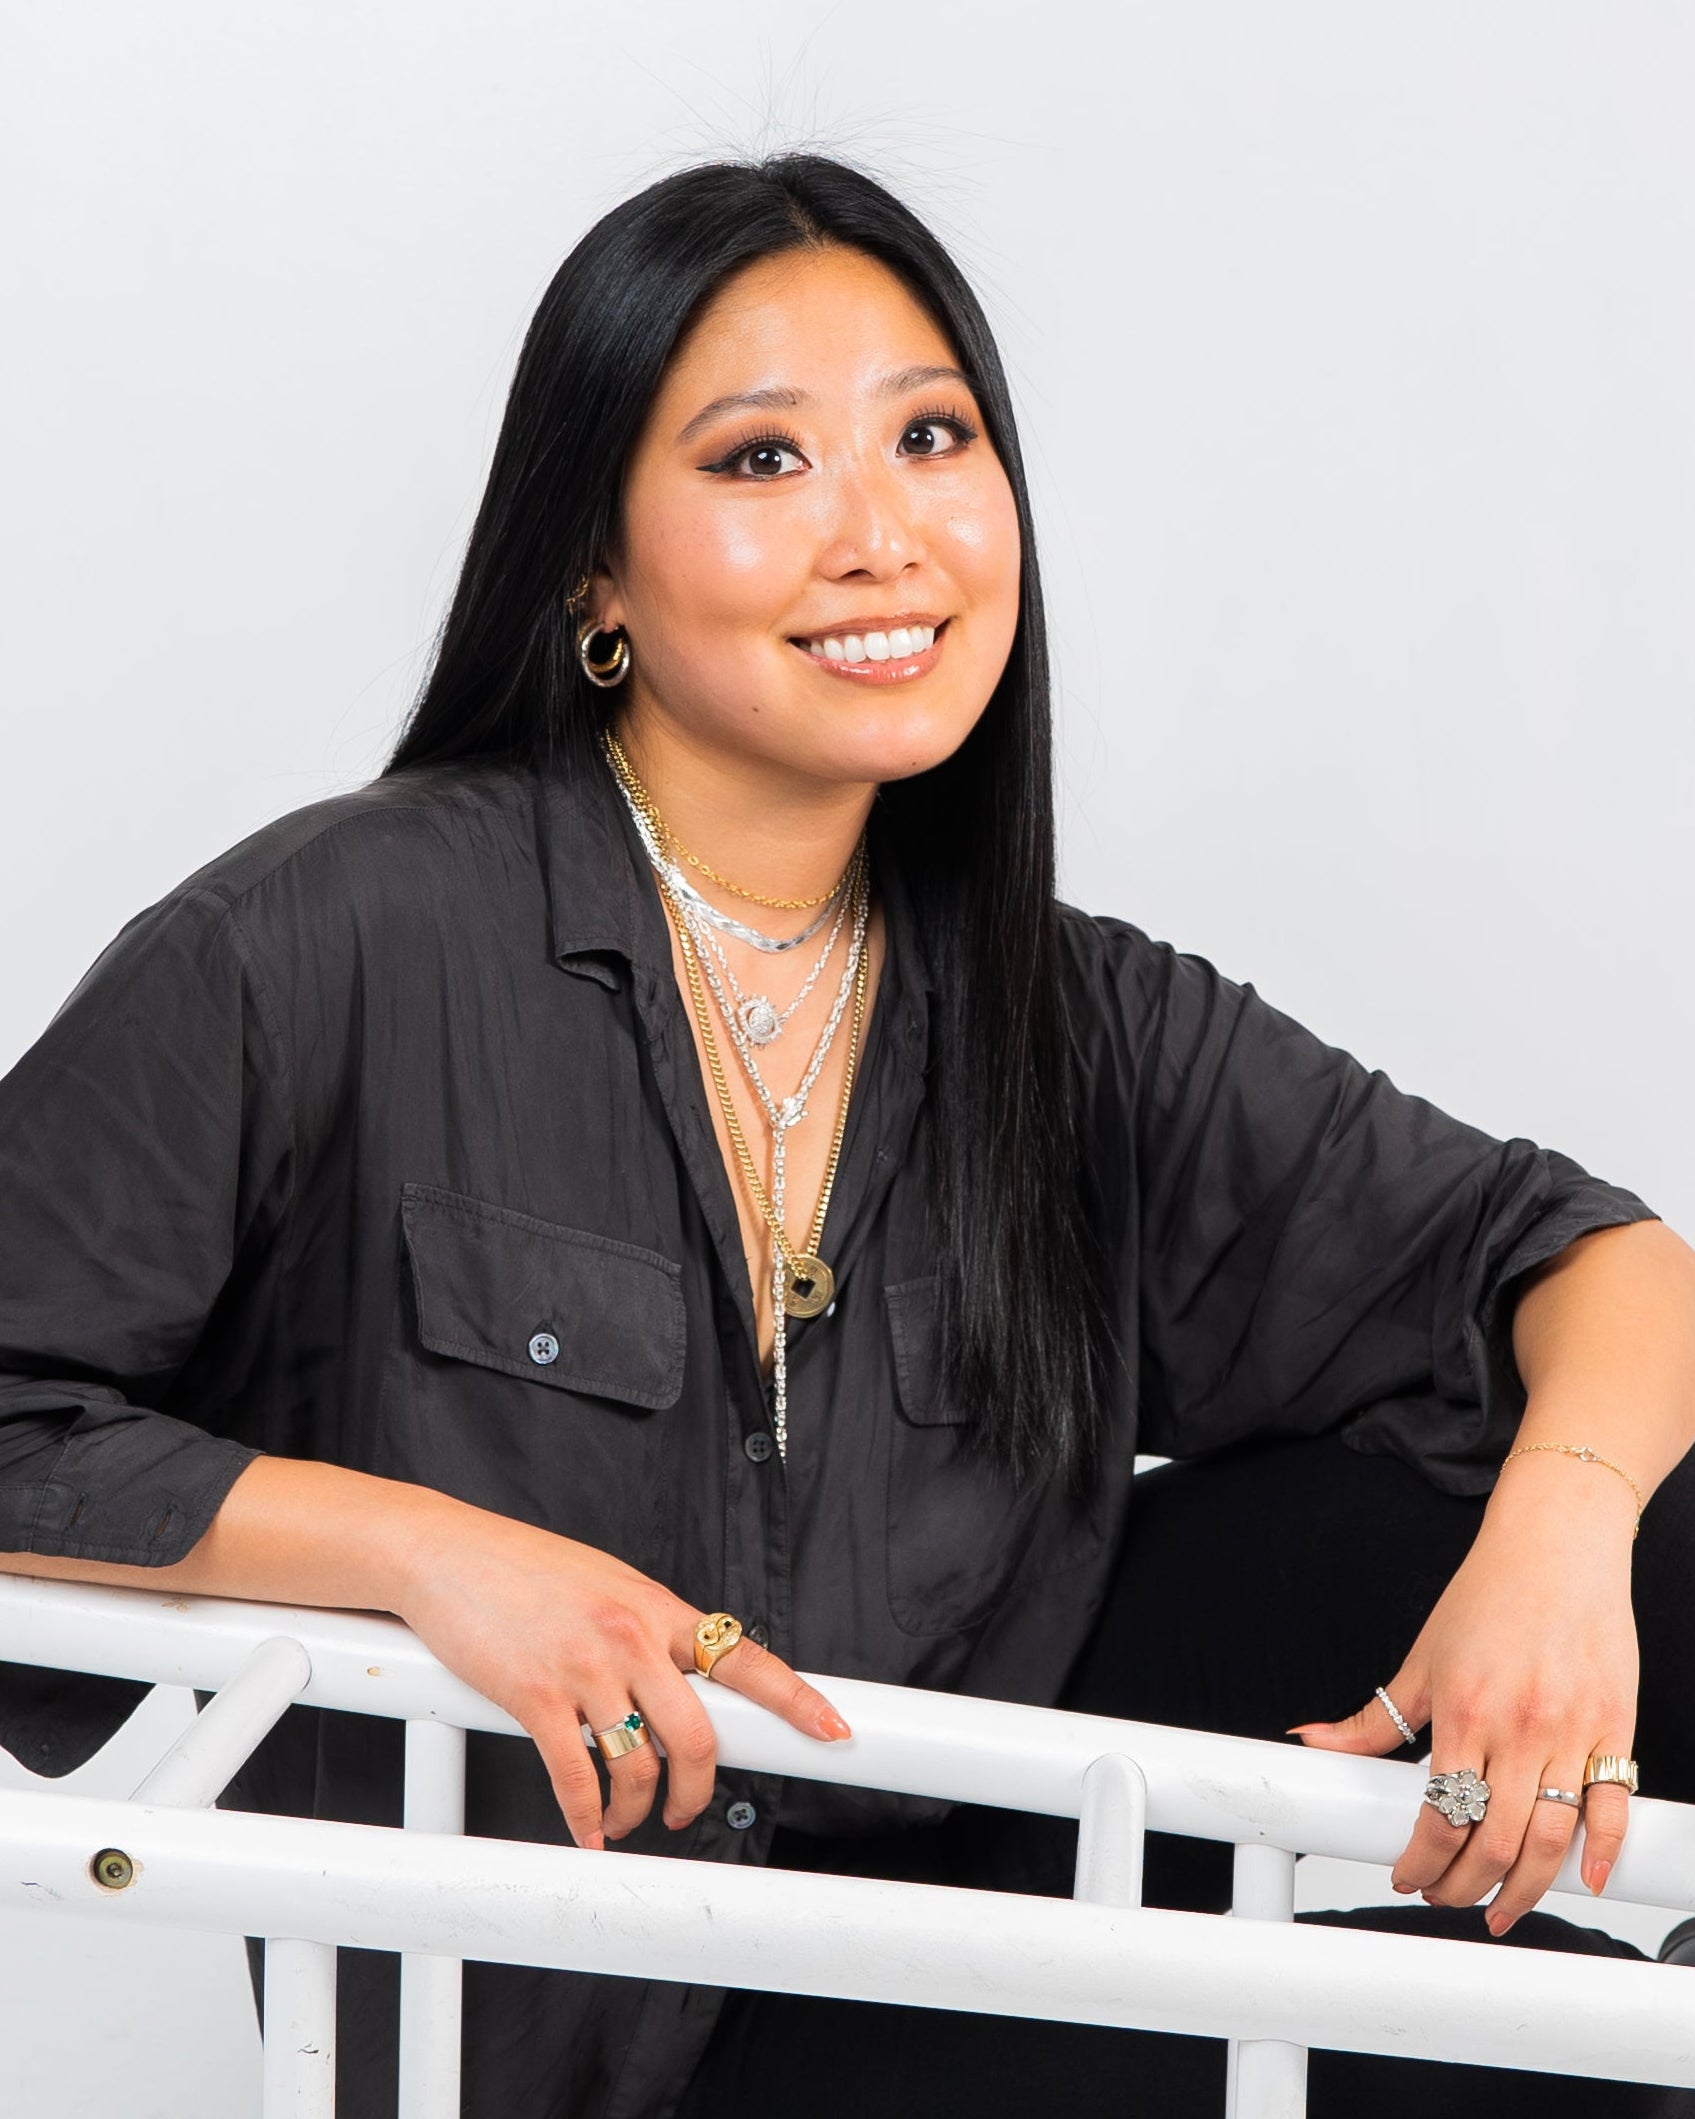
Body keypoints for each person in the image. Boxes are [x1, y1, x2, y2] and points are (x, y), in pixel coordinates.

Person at [2, 151, 1693, 2119]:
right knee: (1511, 2066)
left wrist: (1561, 1542)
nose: (880, 534)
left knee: (1646, 1527)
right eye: (758, 462)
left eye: (930, 435)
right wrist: (416, 1553)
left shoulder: (1068, 1017)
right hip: (617, 2024)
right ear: (592, 573)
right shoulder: (325, 942)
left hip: (979, 1865)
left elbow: (1586, 1256)